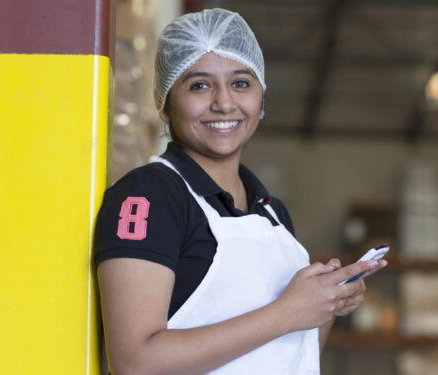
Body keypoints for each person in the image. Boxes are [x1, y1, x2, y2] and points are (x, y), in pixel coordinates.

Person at [94, 8, 387, 375]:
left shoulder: (272, 212)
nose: (224, 103)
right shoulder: (150, 195)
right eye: (199, 85)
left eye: (241, 83)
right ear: (165, 104)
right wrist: (288, 312)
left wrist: (326, 304)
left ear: (262, 99)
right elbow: (136, 363)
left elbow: (286, 358)